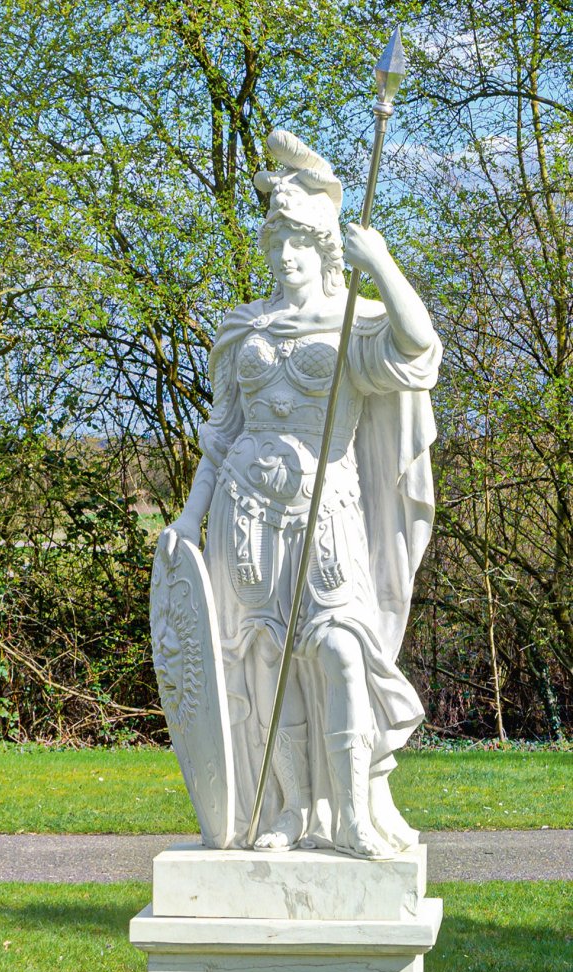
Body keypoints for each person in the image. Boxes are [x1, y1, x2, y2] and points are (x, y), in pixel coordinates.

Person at [165, 130, 441, 858]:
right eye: (277, 240)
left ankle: (350, 815)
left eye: (300, 241)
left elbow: (418, 346)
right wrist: (189, 518)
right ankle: (287, 809)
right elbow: (221, 435)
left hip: (327, 515)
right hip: (245, 515)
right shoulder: (244, 328)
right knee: (266, 663)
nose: (286, 254)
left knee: (342, 653)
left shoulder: (355, 324)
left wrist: (380, 263)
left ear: (323, 247)